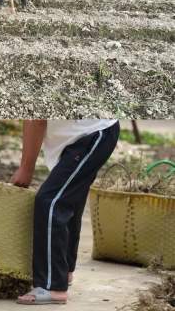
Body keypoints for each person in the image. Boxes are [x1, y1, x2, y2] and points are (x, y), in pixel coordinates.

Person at [11, 120, 120, 305]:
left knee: (50, 201)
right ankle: (63, 272)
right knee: (69, 199)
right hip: (82, 135)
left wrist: (26, 169)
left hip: (92, 133)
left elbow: (36, 121)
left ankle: (52, 286)